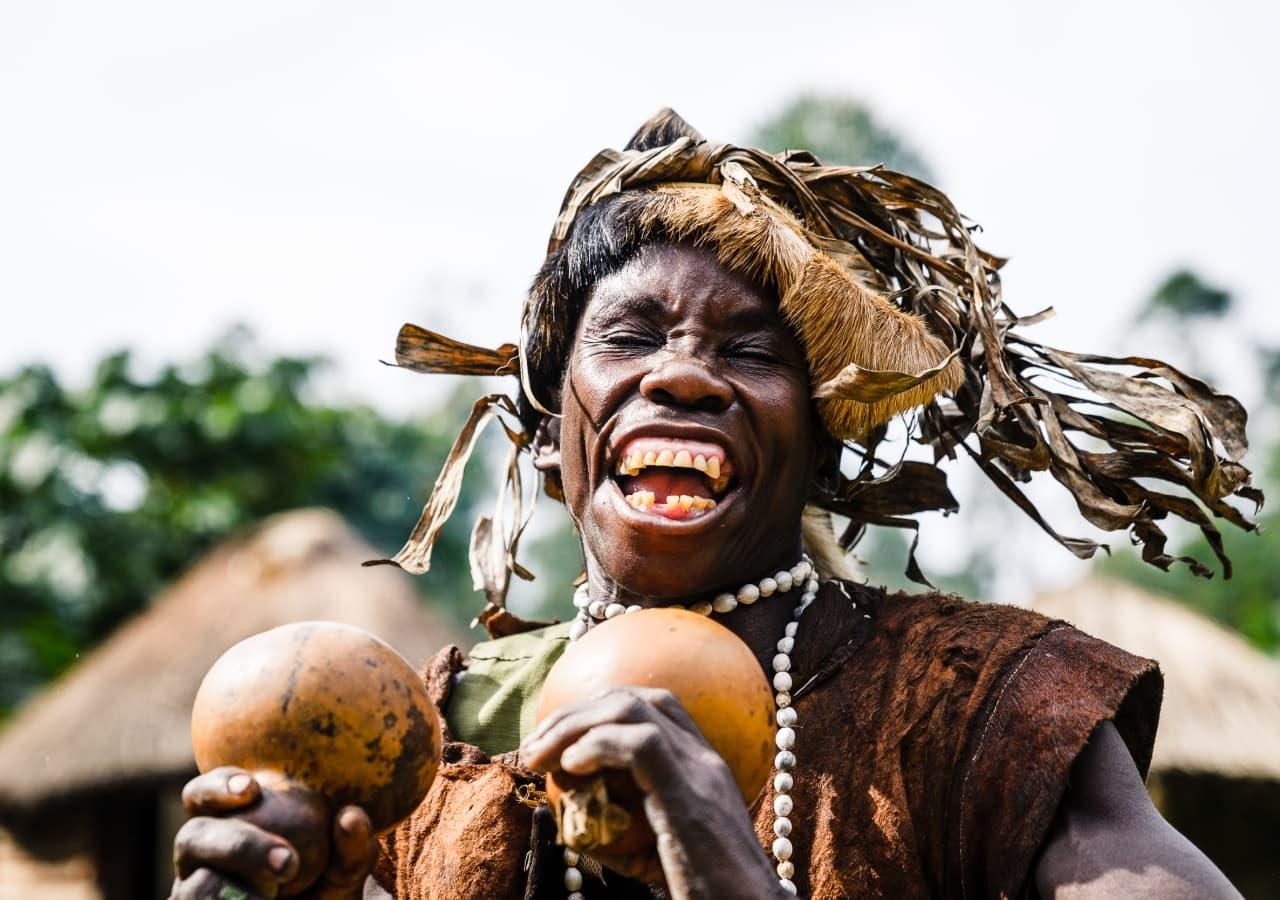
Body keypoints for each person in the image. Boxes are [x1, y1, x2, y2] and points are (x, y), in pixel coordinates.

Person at [170, 110, 1257, 899]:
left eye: (749, 352)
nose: (685, 375)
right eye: (631, 337)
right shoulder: (423, 735)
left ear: (818, 440)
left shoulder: (985, 705)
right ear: (554, 429)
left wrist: (730, 873)